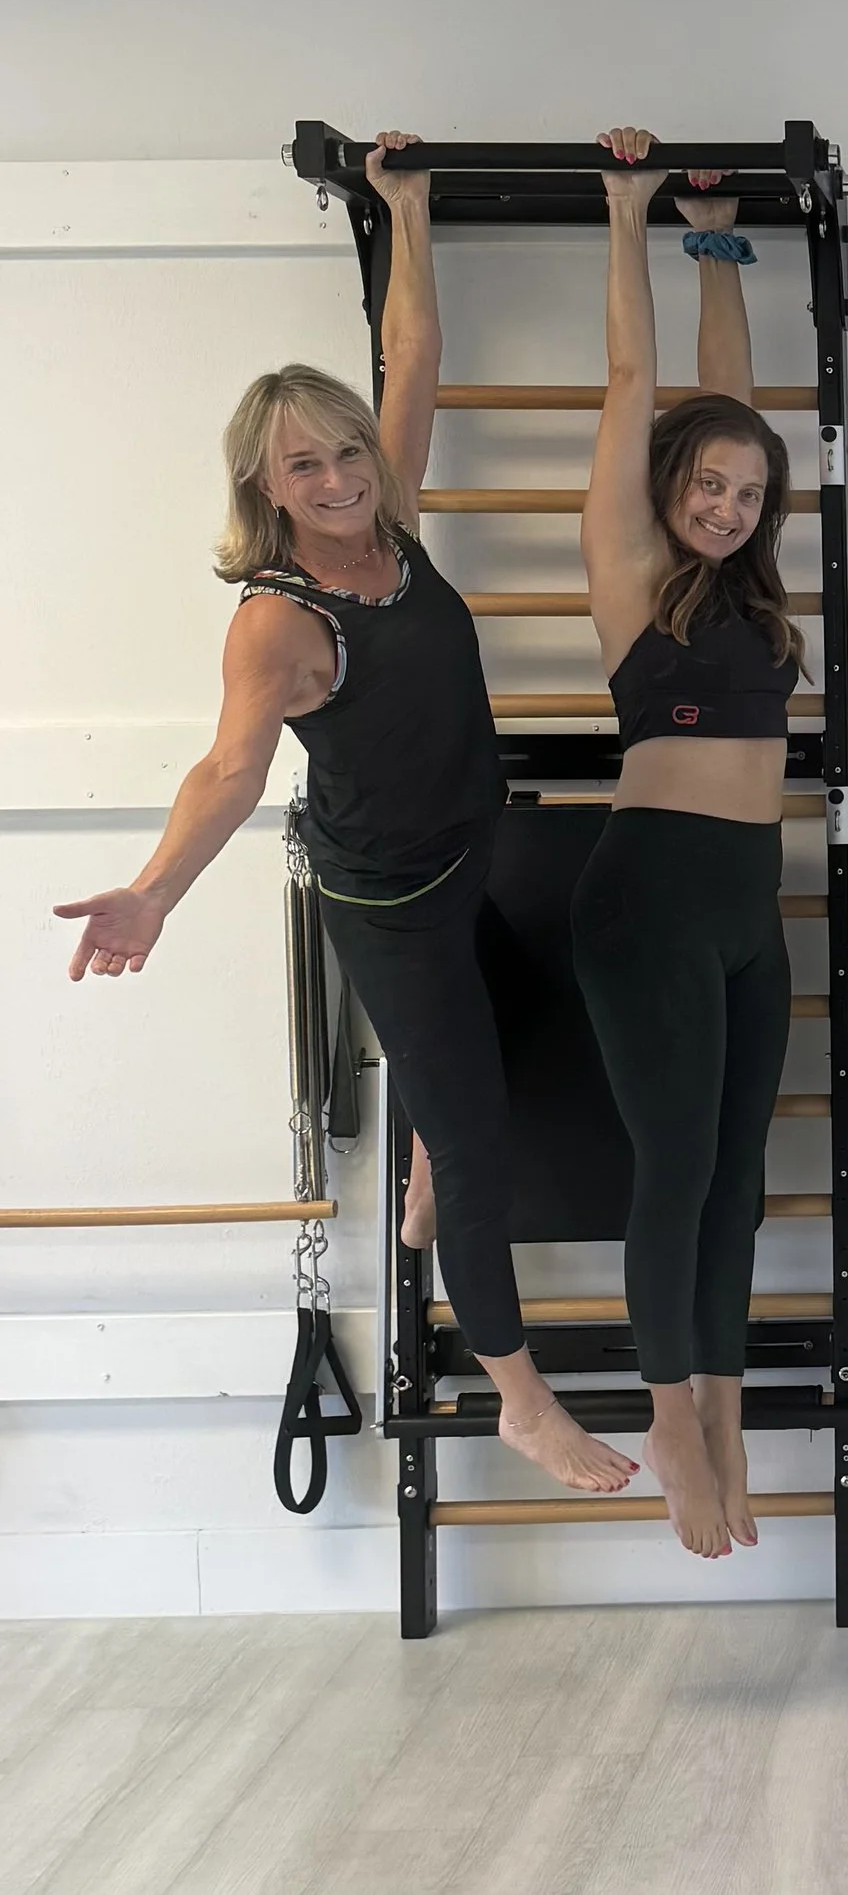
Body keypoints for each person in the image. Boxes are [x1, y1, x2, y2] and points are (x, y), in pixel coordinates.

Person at [55, 134, 635, 1496]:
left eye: (342, 451)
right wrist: (152, 889)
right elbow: (231, 773)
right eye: (300, 468)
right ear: (265, 489)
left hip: (469, 850)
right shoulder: (280, 617)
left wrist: (408, 209)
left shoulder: (400, 528)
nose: (334, 478)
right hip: (391, 907)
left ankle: (432, 1132)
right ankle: (517, 1393)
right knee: (486, 1138)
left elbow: (414, 362)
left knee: (526, 1018)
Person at [574, 128, 802, 1558]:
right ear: (665, 486)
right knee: (673, 1170)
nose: (726, 505)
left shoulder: (755, 592)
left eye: (748, 491)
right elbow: (639, 387)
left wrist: (718, 236)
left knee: (740, 1179)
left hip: (746, 910)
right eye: (708, 485)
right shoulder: (629, 565)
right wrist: (629, 215)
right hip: (651, 896)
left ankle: (718, 1414)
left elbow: (734, 399)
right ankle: (668, 1418)